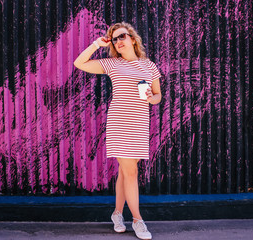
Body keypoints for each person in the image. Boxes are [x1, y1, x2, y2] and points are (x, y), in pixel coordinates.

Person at [73, 22, 161, 240]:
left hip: (139, 123)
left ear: (132, 38)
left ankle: (117, 214)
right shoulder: (112, 63)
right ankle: (138, 220)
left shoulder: (149, 66)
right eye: (114, 39)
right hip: (119, 122)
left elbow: (159, 95)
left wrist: (152, 98)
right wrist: (96, 43)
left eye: (122, 36)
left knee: (125, 171)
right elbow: (79, 63)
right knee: (131, 172)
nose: (118, 41)